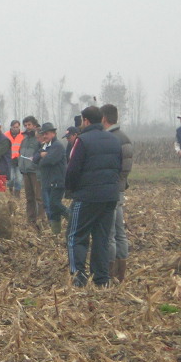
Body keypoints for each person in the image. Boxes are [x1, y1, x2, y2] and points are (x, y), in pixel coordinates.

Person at [65, 106, 122, 287]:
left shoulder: (82, 141)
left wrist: (72, 190)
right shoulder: (114, 140)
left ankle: (78, 278)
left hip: (87, 196)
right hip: (110, 197)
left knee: (76, 236)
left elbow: (72, 169)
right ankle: (101, 279)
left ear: (86, 121)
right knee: (101, 238)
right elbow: (118, 167)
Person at [101, 104, 134, 282]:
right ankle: (120, 273)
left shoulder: (114, 139)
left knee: (111, 233)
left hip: (112, 191)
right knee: (120, 232)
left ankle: (111, 272)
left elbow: (124, 169)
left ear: (104, 118)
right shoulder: (123, 137)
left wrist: (112, 184)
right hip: (118, 190)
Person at [35, 122, 69, 236]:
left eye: (47, 133)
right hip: (47, 182)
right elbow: (35, 158)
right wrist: (41, 155)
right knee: (53, 209)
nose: (45, 136)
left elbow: (49, 161)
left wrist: (43, 157)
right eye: (43, 134)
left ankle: (73, 219)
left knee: (55, 204)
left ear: (53, 133)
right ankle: (56, 233)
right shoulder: (44, 146)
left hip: (57, 181)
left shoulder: (57, 146)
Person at [19, 116, 46, 228]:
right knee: (29, 198)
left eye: (29, 124)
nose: (27, 127)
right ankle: (31, 220)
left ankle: (41, 220)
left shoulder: (39, 139)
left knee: (39, 197)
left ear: (35, 125)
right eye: (25, 125)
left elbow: (43, 153)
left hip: (36, 171)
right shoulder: (24, 140)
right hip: (25, 171)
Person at [4, 120, 24, 197]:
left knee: (19, 179)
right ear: (11, 127)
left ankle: (17, 194)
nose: (15, 129)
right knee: (10, 178)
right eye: (14, 127)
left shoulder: (23, 135)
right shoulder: (5, 135)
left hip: (19, 160)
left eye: (17, 127)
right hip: (9, 160)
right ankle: (10, 190)